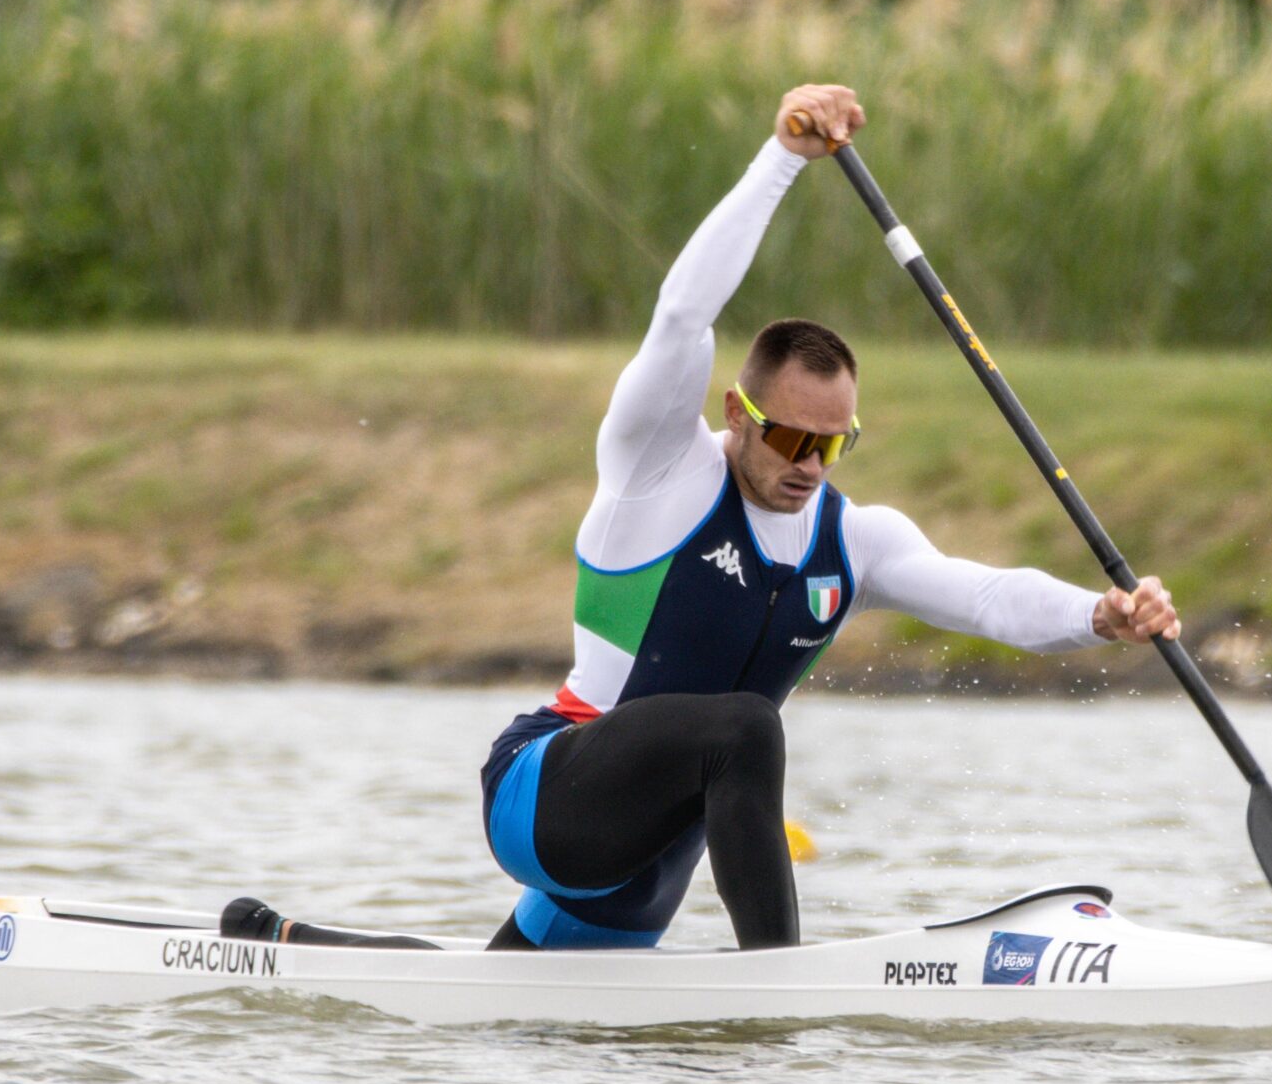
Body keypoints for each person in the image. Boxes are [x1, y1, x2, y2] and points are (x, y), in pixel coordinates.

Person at [480, 83, 1179, 953]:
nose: (808, 465)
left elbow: (989, 597)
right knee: (745, 726)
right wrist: (782, 161)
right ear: (738, 413)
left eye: (832, 445)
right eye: (787, 437)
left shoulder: (852, 542)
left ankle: (274, 934)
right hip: (552, 792)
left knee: (529, 996)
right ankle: (780, 983)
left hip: (656, 845)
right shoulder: (659, 470)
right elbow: (681, 314)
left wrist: (1100, 615)